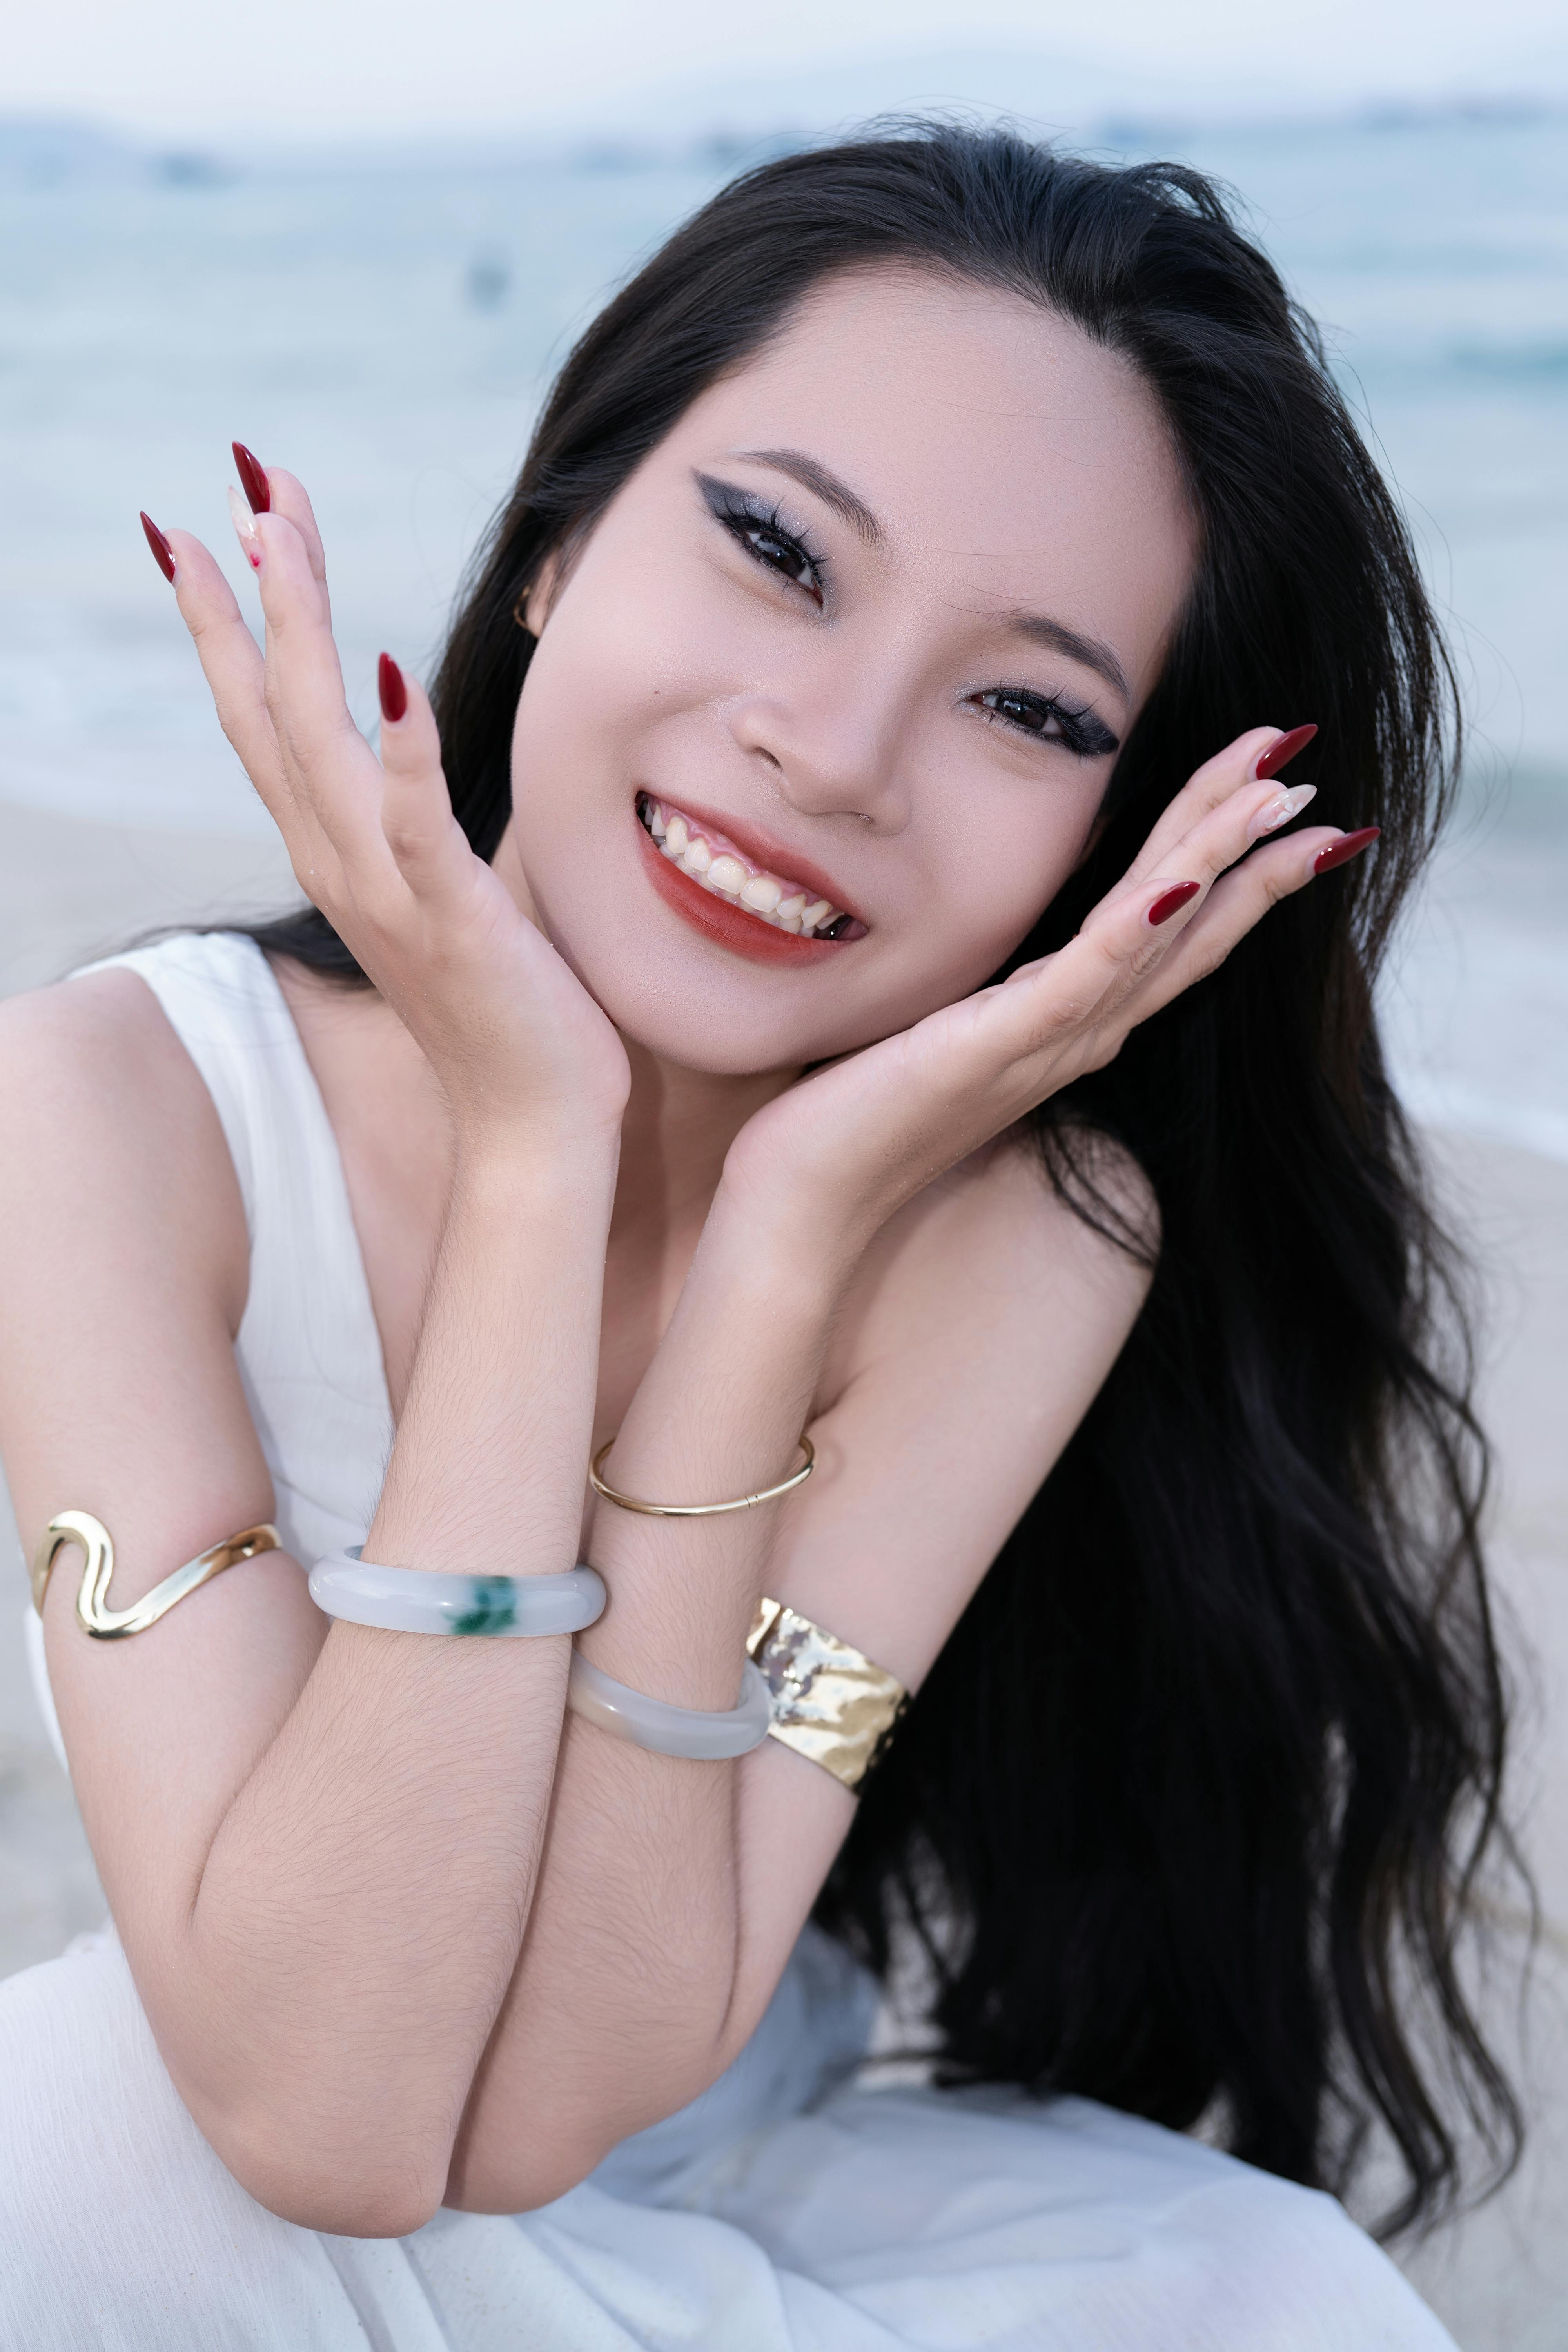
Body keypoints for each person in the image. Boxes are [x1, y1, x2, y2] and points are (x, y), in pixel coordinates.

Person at [0, 127, 1518, 2349]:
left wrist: (785, 1242)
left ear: (1121, 838)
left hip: (694, 2148)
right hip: (206, 2125)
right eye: (778, 553)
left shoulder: (1020, 1229)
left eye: (1031, 707)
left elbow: (554, 2106)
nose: (831, 751)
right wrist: (545, 1154)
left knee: (1295, 2301)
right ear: (554, 546)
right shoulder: (111, 1101)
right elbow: (323, 2107)